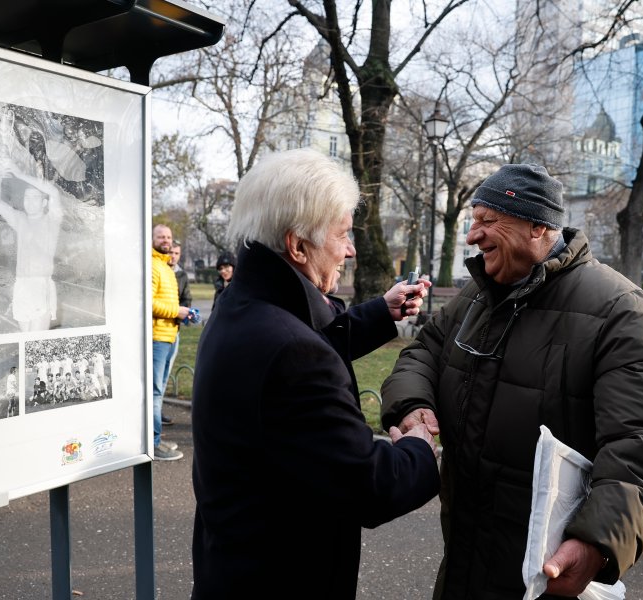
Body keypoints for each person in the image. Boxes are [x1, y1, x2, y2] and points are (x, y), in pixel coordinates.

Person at [380, 163, 643, 599]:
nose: (472, 235)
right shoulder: (477, 295)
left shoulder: (622, 311)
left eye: (487, 221)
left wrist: (597, 542)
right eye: (472, 220)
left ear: (539, 226)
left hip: (546, 574)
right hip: (463, 553)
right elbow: (422, 352)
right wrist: (412, 405)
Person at [190, 148, 440, 599]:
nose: (349, 249)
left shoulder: (241, 303)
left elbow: (302, 333)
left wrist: (380, 314)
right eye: (342, 235)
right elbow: (369, 484)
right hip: (283, 578)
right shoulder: (293, 353)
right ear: (297, 244)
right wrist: (420, 451)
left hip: (232, 567)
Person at [0, 157, 64, 331]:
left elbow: (54, 192)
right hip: (21, 285)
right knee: (25, 339)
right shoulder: (20, 219)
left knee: (35, 342)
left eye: (34, 198)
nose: (29, 202)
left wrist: (19, 174)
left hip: (40, 285)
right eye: (26, 198)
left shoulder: (52, 220)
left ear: (44, 203)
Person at [151, 224, 189, 461]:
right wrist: (178, 311)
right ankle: (153, 443)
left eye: (168, 237)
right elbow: (148, 302)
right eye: (161, 236)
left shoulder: (166, 266)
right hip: (157, 338)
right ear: (152, 238)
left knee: (160, 390)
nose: (166, 240)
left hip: (170, 335)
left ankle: (156, 439)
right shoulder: (154, 266)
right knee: (155, 392)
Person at [162, 240, 192, 426]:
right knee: (154, 376)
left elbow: (187, 298)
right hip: (158, 331)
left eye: (177, 253)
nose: (173, 256)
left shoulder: (181, 275)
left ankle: (157, 412)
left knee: (165, 374)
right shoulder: (158, 270)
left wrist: (183, 313)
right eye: (171, 252)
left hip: (175, 330)